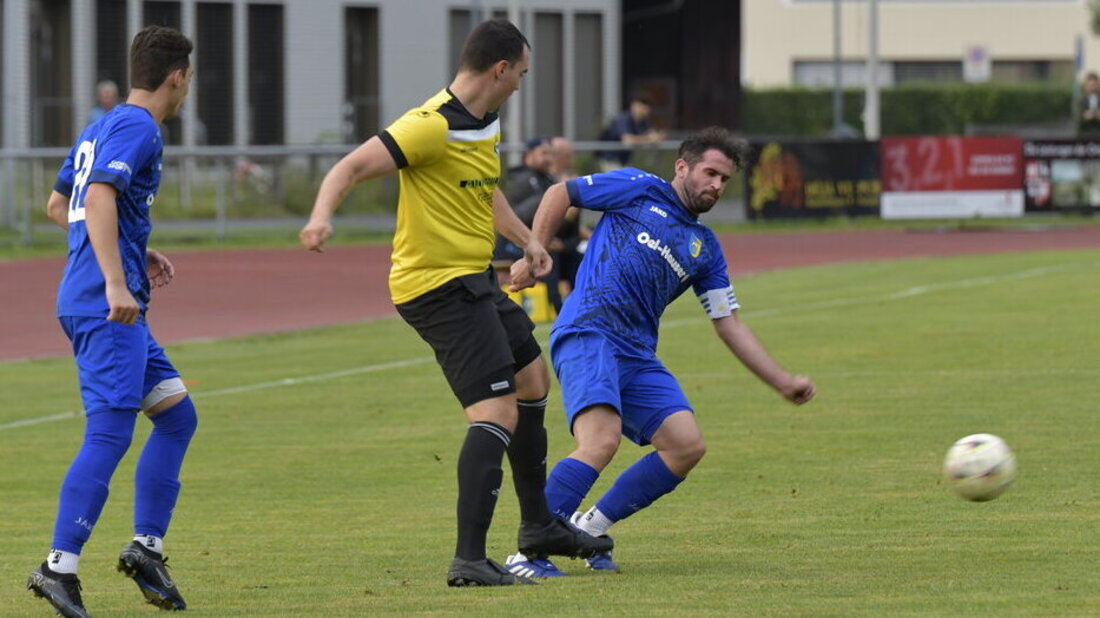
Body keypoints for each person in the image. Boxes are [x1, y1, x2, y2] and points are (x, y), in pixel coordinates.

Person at [298, 18, 612, 587]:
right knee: (496, 412)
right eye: (520, 72)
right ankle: (469, 558)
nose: (520, 82)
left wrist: (529, 240)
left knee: (533, 380)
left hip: (474, 278)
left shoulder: (483, 123)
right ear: (499, 69)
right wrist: (321, 217)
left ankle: (539, 525)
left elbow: (481, 187)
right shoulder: (428, 126)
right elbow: (348, 167)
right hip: (434, 287)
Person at [504, 127, 816, 577]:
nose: (716, 185)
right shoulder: (637, 187)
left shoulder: (705, 248)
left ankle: (587, 525)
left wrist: (782, 381)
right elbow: (560, 193)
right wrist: (534, 253)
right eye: (710, 173)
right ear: (683, 167)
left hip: (635, 352)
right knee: (600, 440)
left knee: (686, 446)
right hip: (589, 329)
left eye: (724, 180)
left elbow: (727, 323)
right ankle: (528, 553)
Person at [27, 26, 196, 617]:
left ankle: (146, 548)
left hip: (95, 297)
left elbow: (59, 205)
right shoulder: (138, 127)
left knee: (177, 416)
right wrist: (117, 279)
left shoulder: (101, 124)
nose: (187, 88)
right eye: (189, 79)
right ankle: (58, 567)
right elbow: (95, 198)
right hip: (106, 305)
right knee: (110, 433)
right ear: (178, 77)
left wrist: (128, 248)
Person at [595, 95, 665, 171]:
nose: (643, 110)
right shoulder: (623, 119)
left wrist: (658, 136)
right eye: (640, 106)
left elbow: (652, 134)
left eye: (646, 107)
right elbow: (628, 140)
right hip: (610, 158)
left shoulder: (643, 121)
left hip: (624, 159)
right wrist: (649, 139)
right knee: (618, 181)